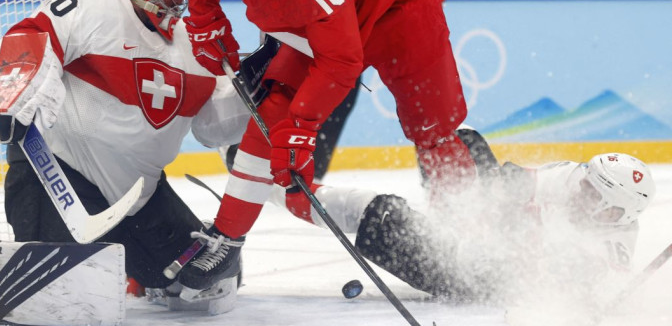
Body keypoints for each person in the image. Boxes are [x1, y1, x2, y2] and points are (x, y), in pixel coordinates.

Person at [176, 0, 477, 289]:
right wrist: (205, 15)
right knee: (271, 110)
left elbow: (341, 62)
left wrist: (302, 127)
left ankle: (473, 236)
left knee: (434, 133)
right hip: (339, 8)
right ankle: (228, 237)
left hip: (399, 8)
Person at [0, 0, 249, 312]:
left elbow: (212, 128)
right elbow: (34, 34)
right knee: (53, 300)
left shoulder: (193, 45)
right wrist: (14, 91)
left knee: (206, 285)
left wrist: (256, 92)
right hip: (61, 177)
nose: (178, 1)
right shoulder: (92, 0)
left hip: (141, 194)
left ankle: (133, 265)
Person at [270, 128, 657, 308]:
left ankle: (271, 191)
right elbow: (510, 184)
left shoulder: (612, 246)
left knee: (377, 210)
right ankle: (447, 218)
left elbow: (569, 286)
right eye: (586, 183)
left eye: (593, 194)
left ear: (614, 213)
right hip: (484, 232)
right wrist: (479, 209)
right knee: (460, 139)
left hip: (469, 272)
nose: (580, 191)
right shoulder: (577, 180)